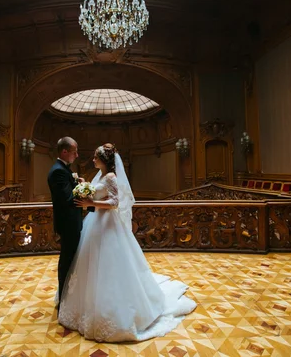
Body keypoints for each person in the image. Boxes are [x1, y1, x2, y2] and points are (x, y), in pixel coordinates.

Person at [58, 143, 196, 342]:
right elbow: (98, 192)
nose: (93, 159)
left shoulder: (111, 177)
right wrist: (83, 186)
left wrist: (91, 204)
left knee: (111, 265)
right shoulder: (100, 177)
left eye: (96, 157)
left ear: (104, 160)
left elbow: (115, 202)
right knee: (92, 265)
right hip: (96, 223)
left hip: (107, 223)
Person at [47, 137, 84, 310]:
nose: (77, 155)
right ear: (64, 152)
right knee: (66, 261)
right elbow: (68, 199)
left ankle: (68, 296)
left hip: (72, 223)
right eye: (74, 151)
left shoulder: (63, 169)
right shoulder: (58, 172)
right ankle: (63, 299)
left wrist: (78, 184)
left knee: (70, 260)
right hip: (68, 224)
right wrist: (87, 195)